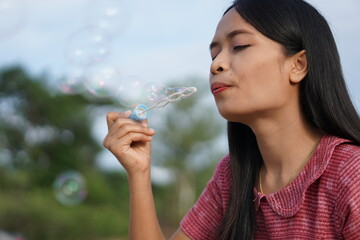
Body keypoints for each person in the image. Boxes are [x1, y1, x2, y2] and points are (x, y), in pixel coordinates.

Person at [103, 0, 360, 239]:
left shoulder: (350, 175)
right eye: (214, 55)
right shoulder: (231, 178)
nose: (216, 65)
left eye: (239, 46)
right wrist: (139, 172)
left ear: (298, 65)